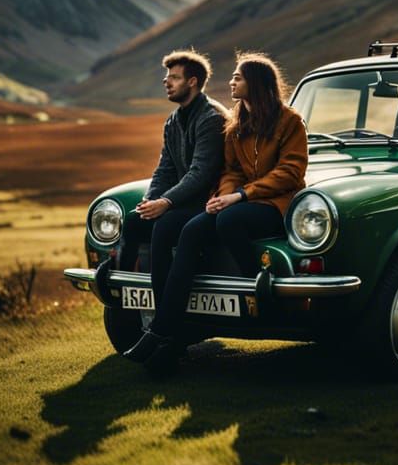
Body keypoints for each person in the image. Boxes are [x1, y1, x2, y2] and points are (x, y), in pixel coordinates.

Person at [124, 52, 307, 371]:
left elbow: (291, 172)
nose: (231, 81)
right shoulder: (237, 123)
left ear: (257, 83)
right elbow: (230, 170)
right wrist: (224, 196)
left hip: (276, 204)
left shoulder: (289, 121)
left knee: (228, 219)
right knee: (187, 229)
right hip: (238, 201)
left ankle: (260, 291)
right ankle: (165, 333)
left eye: (238, 77)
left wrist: (239, 197)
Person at [94, 49, 227, 309]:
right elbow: (164, 168)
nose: (167, 82)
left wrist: (165, 202)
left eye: (175, 77)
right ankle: (126, 299)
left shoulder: (211, 118)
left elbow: (200, 173)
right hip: (182, 200)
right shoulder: (174, 120)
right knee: (134, 220)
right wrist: (149, 201)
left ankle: (164, 312)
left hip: (207, 202)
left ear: (193, 82)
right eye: (167, 77)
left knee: (164, 225)